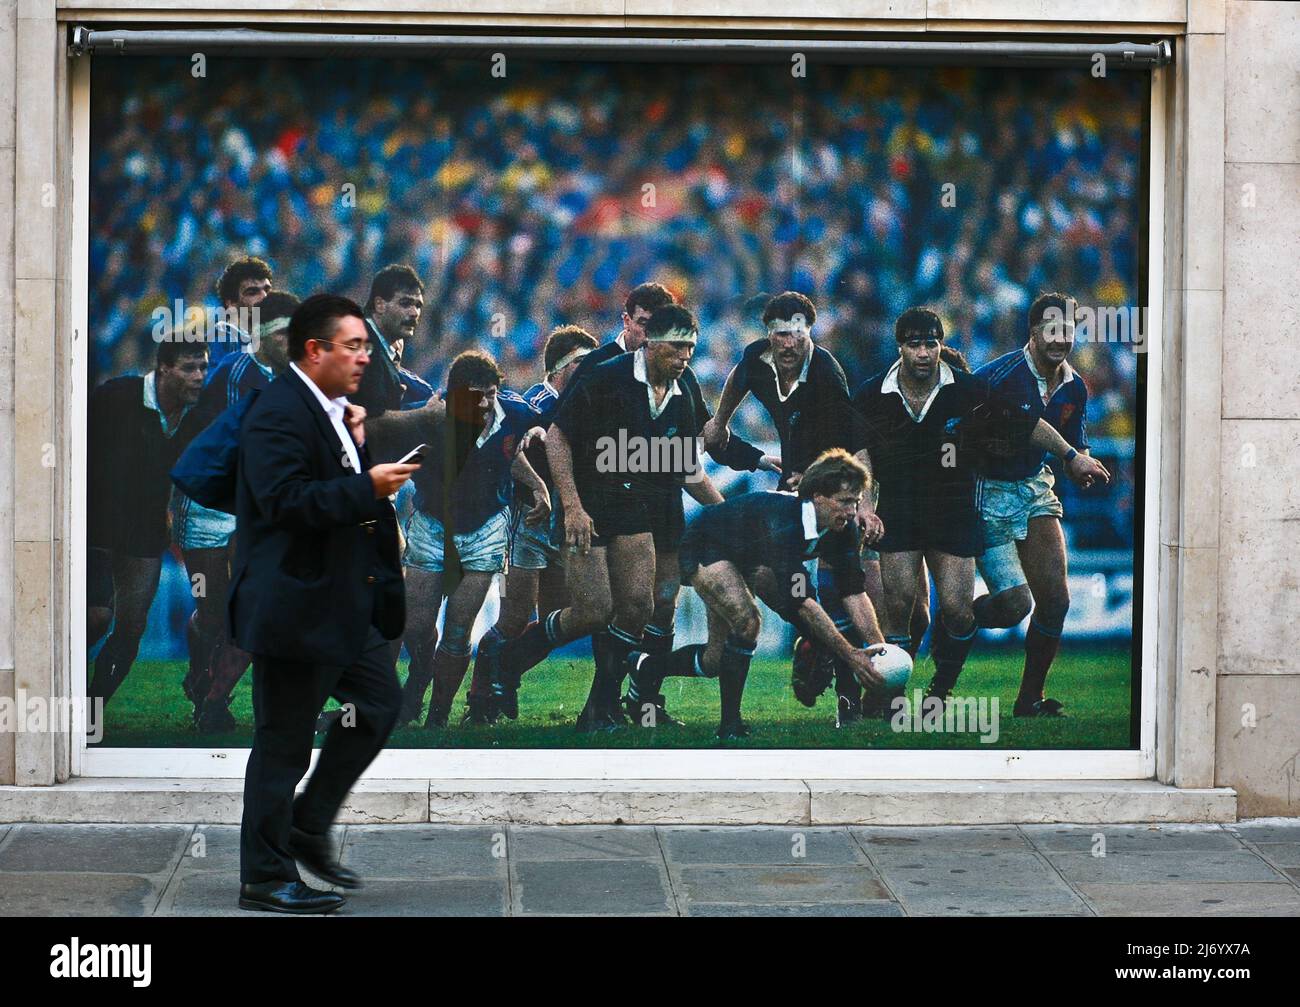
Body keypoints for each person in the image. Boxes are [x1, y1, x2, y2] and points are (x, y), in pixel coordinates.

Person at [232, 294, 421, 915]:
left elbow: (332, 489)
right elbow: (286, 501)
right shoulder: (276, 409)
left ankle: (308, 827)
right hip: (293, 606)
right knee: (282, 744)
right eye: (353, 346)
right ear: (314, 350)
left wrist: (360, 457)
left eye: (366, 345)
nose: (366, 357)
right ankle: (265, 875)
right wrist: (366, 484)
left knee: (378, 701)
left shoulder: (329, 408)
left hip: (338, 604)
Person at [848, 307, 1109, 702]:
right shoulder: (871, 394)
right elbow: (860, 452)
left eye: (931, 344)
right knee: (900, 613)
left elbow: (1026, 423)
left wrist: (1072, 456)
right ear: (900, 346)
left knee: (957, 612)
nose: (924, 353)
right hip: (898, 509)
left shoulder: (967, 390)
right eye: (915, 344)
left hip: (953, 511)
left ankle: (941, 692)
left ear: (940, 345)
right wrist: (865, 505)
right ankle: (890, 701)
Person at [540, 304, 772, 731]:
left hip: (649, 508)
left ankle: (626, 704)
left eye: (690, 348)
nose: (685, 357)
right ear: (645, 336)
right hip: (599, 503)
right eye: (677, 347)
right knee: (606, 608)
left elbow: (695, 454)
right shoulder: (606, 374)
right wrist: (571, 504)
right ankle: (556, 682)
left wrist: (748, 472)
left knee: (652, 604)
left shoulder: (682, 385)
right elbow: (558, 436)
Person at [629, 449, 887, 739]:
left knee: (713, 661)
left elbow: (853, 592)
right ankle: (730, 727)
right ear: (817, 496)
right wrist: (852, 655)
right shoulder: (786, 523)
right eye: (843, 502)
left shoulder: (845, 529)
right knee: (748, 620)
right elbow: (801, 601)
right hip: (706, 543)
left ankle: (647, 666)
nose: (852, 511)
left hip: (746, 554)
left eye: (855, 501)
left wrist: (881, 651)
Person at [972, 292, 1107, 716]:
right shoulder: (1000, 377)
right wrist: (1072, 456)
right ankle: (955, 623)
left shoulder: (1074, 386)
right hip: (985, 489)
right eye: (1051, 330)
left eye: (1066, 330)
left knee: (1056, 601)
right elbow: (1031, 428)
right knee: (1015, 607)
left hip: (1032, 486)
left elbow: (1075, 441)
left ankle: (1029, 700)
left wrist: (1080, 462)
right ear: (1032, 334)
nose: (1059, 339)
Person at [397, 350, 548, 729]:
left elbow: (525, 442)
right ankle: (419, 676)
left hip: (485, 530)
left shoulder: (516, 413)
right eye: (473, 396)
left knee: (459, 631)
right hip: (432, 526)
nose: (483, 403)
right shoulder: (426, 416)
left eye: (490, 394)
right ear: (451, 396)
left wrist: (537, 477)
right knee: (415, 627)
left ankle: (438, 716)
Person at [176, 291, 299, 732]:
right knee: (213, 614)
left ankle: (213, 700)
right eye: (284, 334)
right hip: (210, 506)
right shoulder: (233, 374)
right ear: (261, 336)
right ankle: (200, 675)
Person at [473, 325, 599, 721]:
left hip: (562, 525)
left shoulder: (582, 403)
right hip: (526, 523)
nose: (590, 370)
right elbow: (512, 448)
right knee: (515, 616)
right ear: (562, 366)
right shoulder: (538, 401)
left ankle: (505, 673)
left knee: (554, 621)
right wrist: (538, 485)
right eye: (582, 362)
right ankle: (480, 700)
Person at [87, 336, 209, 711]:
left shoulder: (198, 415)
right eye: (189, 368)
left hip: (146, 529)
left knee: (132, 626)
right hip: (97, 524)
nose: (199, 377)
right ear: (165, 369)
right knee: (96, 617)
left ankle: (92, 711)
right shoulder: (115, 397)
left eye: (203, 367)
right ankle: (57, 694)